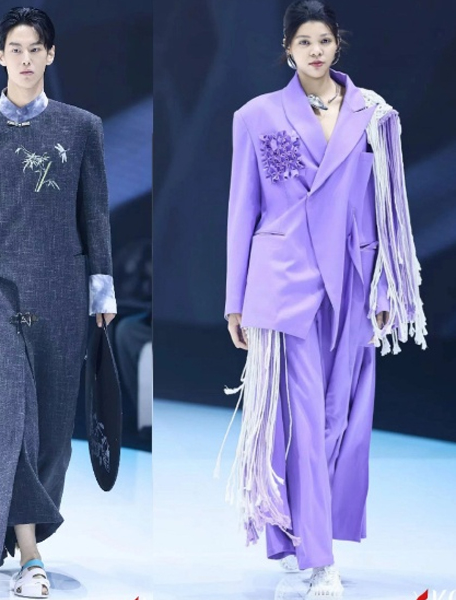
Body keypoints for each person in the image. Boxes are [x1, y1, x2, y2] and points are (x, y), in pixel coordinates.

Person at [221, 1, 426, 597]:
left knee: (343, 418)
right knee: (305, 420)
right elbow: (242, 209)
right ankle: (320, 557)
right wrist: (235, 299)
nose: (315, 50)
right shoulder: (256, 115)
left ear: (339, 45)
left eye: (325, 40)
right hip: (284, 280)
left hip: (354, 279)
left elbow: (390, 209)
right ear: (287, 48)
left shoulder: (375, 113)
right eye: (304, 41)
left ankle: (292, 528)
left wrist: (387, 284)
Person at [0, 7, 117, 598]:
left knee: (51, 422)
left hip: (60, 287)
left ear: (50, 54)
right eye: (14, 48)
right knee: (1, 416)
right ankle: (31, 555)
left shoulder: (81, 127)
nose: (24, 58)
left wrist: (102, 289)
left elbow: (95, 214)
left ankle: (20, 534)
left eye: (34, 48)